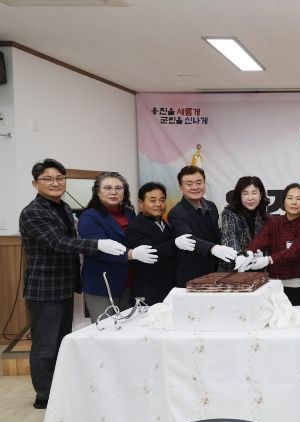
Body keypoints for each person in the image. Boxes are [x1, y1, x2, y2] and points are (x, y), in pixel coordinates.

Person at [19, 159, 127, 409]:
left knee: (61, 341)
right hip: (45, 287)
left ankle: (59, 389)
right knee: (45, 345)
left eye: (60, 178)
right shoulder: (33, 211)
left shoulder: (64, 207)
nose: (55, 183)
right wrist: (97, 244)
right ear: (35, 183)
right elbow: (57, 242)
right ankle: (44, 395)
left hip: (65, 285)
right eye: (48, 179)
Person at [78, 172, 158, 323]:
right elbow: (97, 250)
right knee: (106, 328)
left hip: (130, 282)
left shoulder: (129, 213)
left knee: (128, 326)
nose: (113, 192)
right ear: (97, 191)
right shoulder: (89, 217)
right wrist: (131, 254)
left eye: (118, 188)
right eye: (108, 188)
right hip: (102, 284)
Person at [236, 183, 300, 305]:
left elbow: (294, 251)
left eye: (299, 198)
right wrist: (248, 253)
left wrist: (268, 260)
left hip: (299, 285)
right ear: (283, 201)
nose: (294, 202)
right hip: (273, 285)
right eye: (290, 198)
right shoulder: (274, 222)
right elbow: (260, 239)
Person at [125, 182, 196, 305]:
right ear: (141, 203)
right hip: (149, 292)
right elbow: (150, 254)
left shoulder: (163, 222)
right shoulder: (136, 227)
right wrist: (175, 244)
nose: (158, 204)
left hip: (168, 288)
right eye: (152, 200)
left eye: (162, 200)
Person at [168, 165, 237, 287]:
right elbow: (188, 239)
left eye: (198, 183)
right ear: (181, 188)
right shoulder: (176, 213)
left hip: (216, 272)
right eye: (189, 184)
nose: (195, 187)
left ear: (204, 184)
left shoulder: (211, 206)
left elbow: (216, 235)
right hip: (192, 276)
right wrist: (213, 248)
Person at [220, 176, 269, 271]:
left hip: (257, 271)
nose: (250, 198)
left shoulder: (264, 216)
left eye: (254, 193)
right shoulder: (229, 213)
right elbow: (230, 237)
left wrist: (263, 255)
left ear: (261, 194)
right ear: (239, 196)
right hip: (233, 269)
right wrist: (241, 256)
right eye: (245, 193)